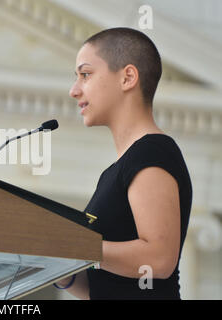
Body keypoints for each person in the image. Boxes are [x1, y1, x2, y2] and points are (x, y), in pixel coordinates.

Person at [54, 27, 192, 299]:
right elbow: (103, 287)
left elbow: (158, 260)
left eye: (85, 74)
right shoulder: (114, 172)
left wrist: (74, 245)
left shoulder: (153, 152)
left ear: (127, 77)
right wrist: (60, 266)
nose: (74, 90)